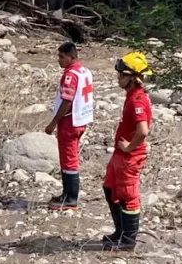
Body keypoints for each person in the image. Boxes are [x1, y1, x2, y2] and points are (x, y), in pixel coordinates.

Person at [102, 52, 153, 251]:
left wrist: (129, 147)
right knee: (110, 188)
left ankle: (128, 241)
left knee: (127, 195)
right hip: (122, 153)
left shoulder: (137, 101)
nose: (118, 78)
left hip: (130, 156)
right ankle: (120, 232)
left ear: (132, 78)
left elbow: (143, 131)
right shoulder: (133, 95)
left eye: (121, 75)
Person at [45, 42, 95, 211]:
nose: (59, 60)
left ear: (71, 57)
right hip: (82, 119)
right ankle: (66, 194)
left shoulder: (70, 75)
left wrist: (53, 123)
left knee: (68, 160)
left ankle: (70, 198)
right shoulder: (84, 71)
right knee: (69, 158)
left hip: (70, 121)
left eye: (62, 57)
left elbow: (67, 100)